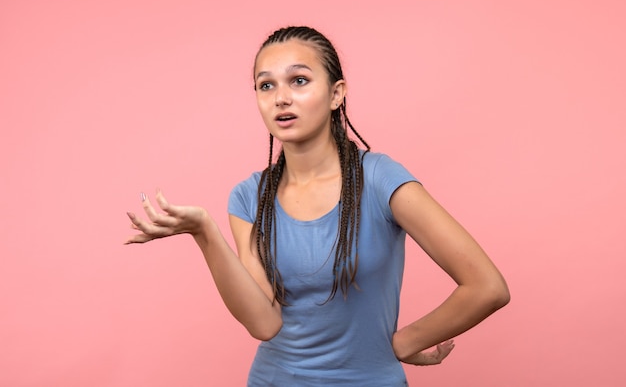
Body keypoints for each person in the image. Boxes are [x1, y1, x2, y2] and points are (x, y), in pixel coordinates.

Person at [125, 26, 510, 386]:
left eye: (299, 80)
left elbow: (487, 287)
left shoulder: (379, 180)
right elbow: (263, 323)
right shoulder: (249, 197)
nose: (281, 97)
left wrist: (405, 342)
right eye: (266, 85)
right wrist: (204, 231)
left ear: (336, 93)